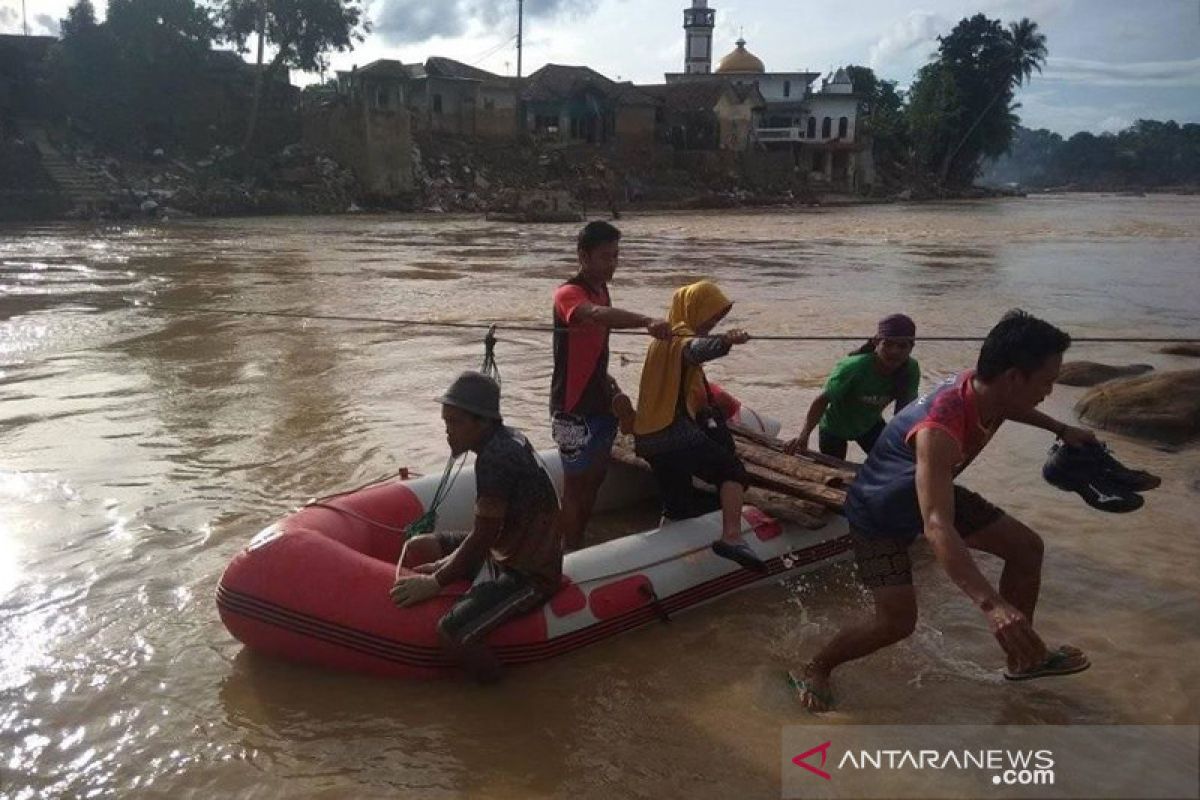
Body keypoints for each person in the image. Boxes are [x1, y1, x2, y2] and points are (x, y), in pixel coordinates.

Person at [792, 310, 1097, 712]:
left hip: (930, 487)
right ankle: (817, 666)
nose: (1049, 391)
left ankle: (1026, 659)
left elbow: (1012, 407)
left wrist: (1061, 430)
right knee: (896, 623)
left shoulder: (987, 388)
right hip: (879, 512)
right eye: (1046, 382)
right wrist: (992, 606)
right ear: (1013, 378)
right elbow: (937, 525)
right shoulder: (940, 427)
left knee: (1026, 548)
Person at [390, 371, 561, 684]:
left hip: (528, 571)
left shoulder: (497, 457)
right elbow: (490, 531)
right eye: (446, 423)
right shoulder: (504, 439)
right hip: (506, 545)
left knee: (452, 633)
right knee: (423, 546)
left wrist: (437, 581)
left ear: (482, 422)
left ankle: (498, 704)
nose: (447, 433)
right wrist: (445, 563)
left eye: (454, 423)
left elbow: (483, 537)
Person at [551, 220, 670, 551]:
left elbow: (595, 350)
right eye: (605, 257)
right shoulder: (568, 293)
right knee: (575, 489)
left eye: (616, 256)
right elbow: (594, 315)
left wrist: (611, 384)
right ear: (583, 256)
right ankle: (567, 553)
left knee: (595, 481)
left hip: (601, 401)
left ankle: (578, 543)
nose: (612, 264)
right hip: (572, 408)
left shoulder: (603, 288)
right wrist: (646, 321)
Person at [633, 280, 765, 573]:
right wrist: (726, 341)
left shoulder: (659, 341)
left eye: (719, 318)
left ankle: (664, 556)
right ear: (693, 310)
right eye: (712, 315)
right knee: (731, 471)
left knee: (677, 504)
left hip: (647, 438)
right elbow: (696, 350)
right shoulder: (680, 338)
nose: (714, 321)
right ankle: (732, 537)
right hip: (673, 433)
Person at [784, 314, 920, 460]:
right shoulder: (853, 368)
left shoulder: (910, 370)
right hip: (835, 427)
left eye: (902, 346)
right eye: (888, 344)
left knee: (897, 460)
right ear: (876, 342)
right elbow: (822, 401)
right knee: (834, 469)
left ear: (911, 347)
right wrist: (804, 436)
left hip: (870, 425)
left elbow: (904, 413)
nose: (894, 352)